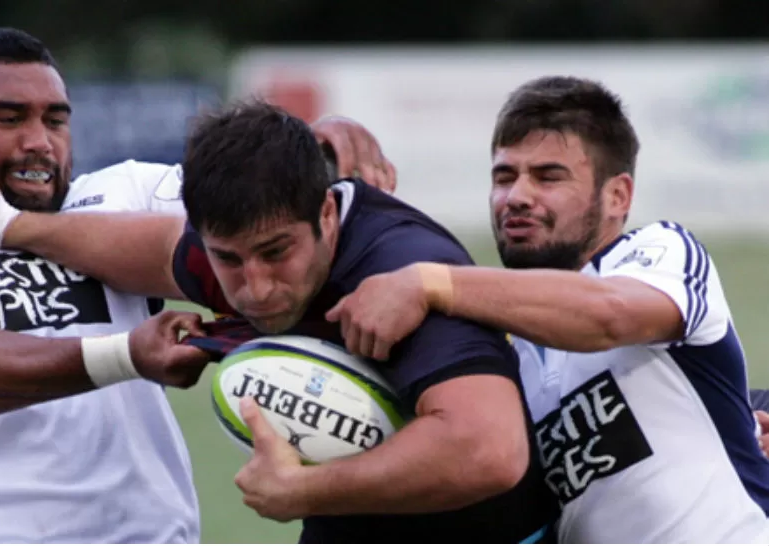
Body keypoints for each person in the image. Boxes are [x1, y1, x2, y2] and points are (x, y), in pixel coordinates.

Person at [0, 26, 394, 544]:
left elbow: (264, 201)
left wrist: (313, 150)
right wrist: (126, 356)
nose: (39, 141)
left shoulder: (122, 194)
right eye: (9, 119)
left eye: (55, 121)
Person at [0, 99, 560, 544]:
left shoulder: (400, 267)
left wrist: (303, 492)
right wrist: (12, 227)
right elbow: (153, 250)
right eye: (227, 258)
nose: (254, 287)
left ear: (327, 216)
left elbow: (490, 451)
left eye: (275, 254)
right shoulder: (238, 240)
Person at [323, 76, 769, 543]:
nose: (516, 196)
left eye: (548, 176)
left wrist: (429, 281)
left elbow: (609, 315)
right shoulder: (501, 351)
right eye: (504, 176)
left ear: (618, 196)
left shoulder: (661, 251)